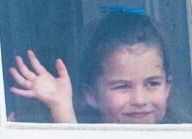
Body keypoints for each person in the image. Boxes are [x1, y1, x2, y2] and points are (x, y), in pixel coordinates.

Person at [9, 12, 172, 124]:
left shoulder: (186, 138)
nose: (139, 100)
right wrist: (61, 108)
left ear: (167, 87)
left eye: (152, 83)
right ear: (91, 95)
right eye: (122, 86)